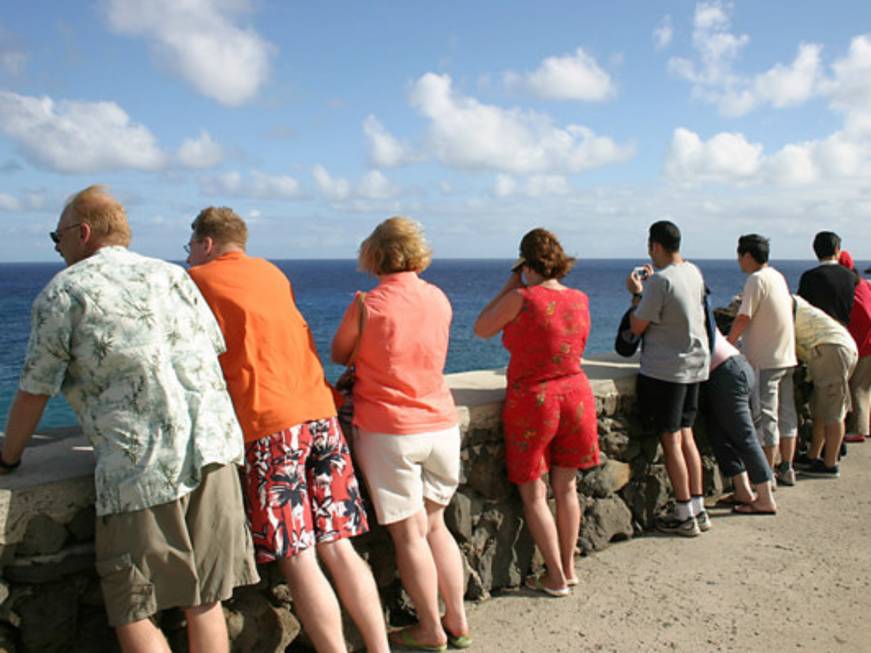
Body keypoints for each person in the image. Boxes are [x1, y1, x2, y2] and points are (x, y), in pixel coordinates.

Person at [1, 186, 258, 653]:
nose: (57, 249)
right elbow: (213, 352)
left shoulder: (65, 292)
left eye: (56, 238)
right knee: (204, 601)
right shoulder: (175, 277)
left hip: (142, 467)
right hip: (214, 452)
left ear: (82, 233)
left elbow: (36, 389)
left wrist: (8, 455)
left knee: (132, 606)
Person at [185, 208, 388, 653]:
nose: (188, 257)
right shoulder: (272, 274)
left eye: (189, 248)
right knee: (339, 546)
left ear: (205, 244)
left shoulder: (199, 281)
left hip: (271, 423)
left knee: (299, 556)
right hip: (320, 413)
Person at [331, 217, 470, 652]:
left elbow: (338, 354)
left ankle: (429, 629)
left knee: (410, 536)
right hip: (442, 424)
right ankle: (458, 621)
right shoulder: (438, 297)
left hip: (390, 428)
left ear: (374, 255)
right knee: (436, 526)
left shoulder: (367, 303)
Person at [475, 228, 600, 596]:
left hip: (535, 399)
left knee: (534, 492)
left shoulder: (521, 298)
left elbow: (483, 327)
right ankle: (569, 568)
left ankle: (555, 577)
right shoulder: (580, 298)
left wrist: (511, 282)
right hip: (576, 394)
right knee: (568, 487)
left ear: (526, 262)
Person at [625, 221, 710, 537]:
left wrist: (636, 294)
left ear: (655, 246)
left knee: (671, 438)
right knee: (687, 435)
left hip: (667, 371)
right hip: (695, 366)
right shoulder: (693, 272)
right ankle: (698, 510)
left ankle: (684, 513)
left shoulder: (660, 282)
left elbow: (637, 327)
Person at [727, 234, 798, 486]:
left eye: (739, 255)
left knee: (767, 418)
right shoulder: (777, 276)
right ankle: (787, 467)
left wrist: (728, 342)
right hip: (787, 354)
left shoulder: (755, 280)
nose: (738, 261)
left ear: (747, 255)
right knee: (787, 414)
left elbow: (744, 316)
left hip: (766, 359)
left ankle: (766, 476)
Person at [705, 329, 777, 515]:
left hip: (726, 373)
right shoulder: (695, 305)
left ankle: (765, 499)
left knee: (744, 436)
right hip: (733, 367)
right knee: (718, 434)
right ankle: (743, 491)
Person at [793, 295, 858, 477]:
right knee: (820, 407)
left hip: (830, 348)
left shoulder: (784, 306)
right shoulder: (795, 305)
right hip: (834, 347)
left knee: (832, 409)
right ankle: (814, 455)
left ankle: (830, 464)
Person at [837, 251, 870, 443]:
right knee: (865, 388)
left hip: (861, 344)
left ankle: (858, 429)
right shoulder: (864, 285)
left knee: (857, 387)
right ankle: (865, 424)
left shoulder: (848, 290)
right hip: (868, 342)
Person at [797, 231, 855, 325]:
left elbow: (801, 309)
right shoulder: (850, 276)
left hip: (817, 331)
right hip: (843, 333)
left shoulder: (809, 277)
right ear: (837, 250)